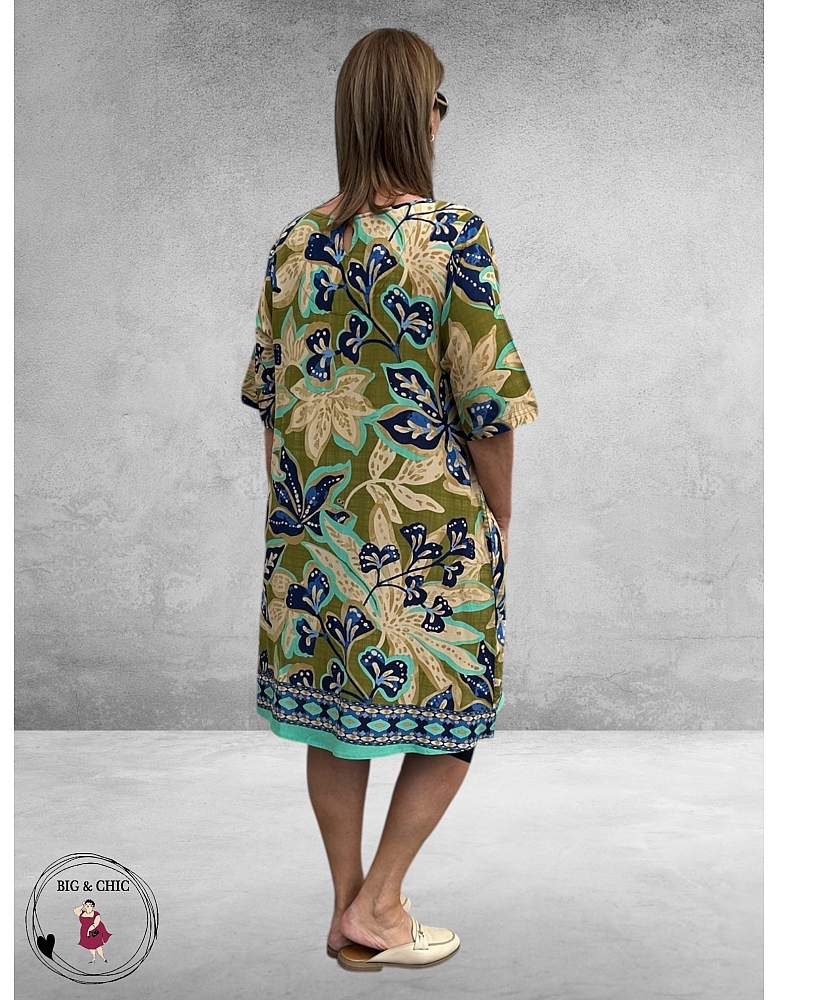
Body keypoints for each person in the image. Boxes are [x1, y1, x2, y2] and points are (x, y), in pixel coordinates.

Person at [240, 28, 538, 972]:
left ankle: (348, 914)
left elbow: (272, 400)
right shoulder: (453, 237)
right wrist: (499, 518)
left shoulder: (294, 244)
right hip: (427, 527)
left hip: (315, 526)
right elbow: (487, 401)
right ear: (422, 117)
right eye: (438, 104)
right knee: (456, 704)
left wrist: (299, 517)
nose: (443, 121)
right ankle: (382, 901)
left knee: (336, 713)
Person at [73, 899, 111, 963]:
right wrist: (82, 905)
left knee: (98, 945)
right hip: (84, 931)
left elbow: (96, 923)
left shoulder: (96, 914)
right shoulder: (82, 913)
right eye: (86, 904)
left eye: (90, 904)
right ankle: (94, 958)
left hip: (95, 931)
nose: (88, 906)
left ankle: (103, 958)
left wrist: (89, 930)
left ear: (92, 906)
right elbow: (75, 910)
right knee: (90, 946)